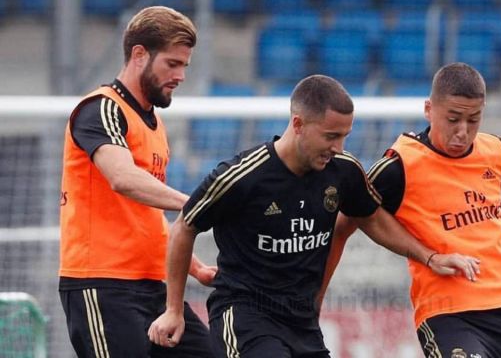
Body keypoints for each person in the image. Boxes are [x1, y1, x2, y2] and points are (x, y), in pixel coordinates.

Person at [147, 74, 481, 357]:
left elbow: (371, 218)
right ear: (298, 124)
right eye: (331, 136)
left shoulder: (343, 171)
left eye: (345, 136)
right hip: (246, 314)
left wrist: (429, 256)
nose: (339, 147)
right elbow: (184, 227)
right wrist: (174, 309)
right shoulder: (242, 176)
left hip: (302, 320)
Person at [338, 62, 501, 357]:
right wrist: (429, 257)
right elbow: (355, 216)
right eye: (453, 119)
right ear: (429, 109)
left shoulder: (495, 150)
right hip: (450, 314)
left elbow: (491, 203)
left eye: (473, 120)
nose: (462, 132)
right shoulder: (400, 165)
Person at [58, 6, 216, 357]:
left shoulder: (155, 125)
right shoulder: (102, 108)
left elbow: (146, 214)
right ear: (139, 55)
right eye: (172, 64)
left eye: (185, 66)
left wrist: (197, 268)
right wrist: (198, 202)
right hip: (101, 285)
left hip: (153, 287)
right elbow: (123, 179)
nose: (181, 76)